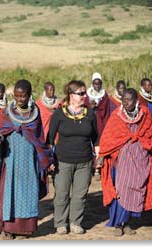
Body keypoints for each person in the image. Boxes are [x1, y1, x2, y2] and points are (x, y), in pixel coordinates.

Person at [0, 79, 54, 239]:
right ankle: (8, 229)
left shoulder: (36, 113)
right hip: (11, 159)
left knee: (28, 192)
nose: (19, 99)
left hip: (29, 160)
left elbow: (39, 137)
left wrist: (43, 157)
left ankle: (25, 229)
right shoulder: (7, 111)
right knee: (9, 192)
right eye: (17, 96)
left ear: (29, 95)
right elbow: (3, 131)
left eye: (23, 96)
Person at [97, 88, 152, 236]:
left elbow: (150, 133)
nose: (126, 102)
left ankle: (126, 223)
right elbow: (109, 137)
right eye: (124, 99)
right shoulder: (117, 115)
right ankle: (118, 224)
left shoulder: (145, 114)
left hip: (140, 157)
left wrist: (143, 144)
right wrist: (102, 155)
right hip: (121, 158)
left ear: (136, 101)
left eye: (129, 99)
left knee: (135, 188)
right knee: (121, 189)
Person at [48, 80, 99, 235]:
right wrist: (50, 160)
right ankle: (61, 223)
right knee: (62, 194)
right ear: (71, 95)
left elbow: (96, 138)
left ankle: (76, 222)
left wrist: (97, 157)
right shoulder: (59, 114)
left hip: (85, 161)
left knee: (80, 195)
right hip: (63, 161)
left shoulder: (90, 113)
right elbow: (50, 139)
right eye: (81, 93)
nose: (84, 96)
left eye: (85, 93)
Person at [85, 72, 115, 178]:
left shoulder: (104, 95)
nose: (97, 85)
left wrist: (98, 108)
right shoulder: (87, 95)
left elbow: (106, 110)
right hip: (89, 124)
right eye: (95, 83)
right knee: (89, 144)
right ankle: (89, 167)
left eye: (98, 83)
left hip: (100, 124)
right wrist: (90, 107)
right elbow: (84, 107)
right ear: (92, 83)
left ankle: (98, 167)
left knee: (99, 145)